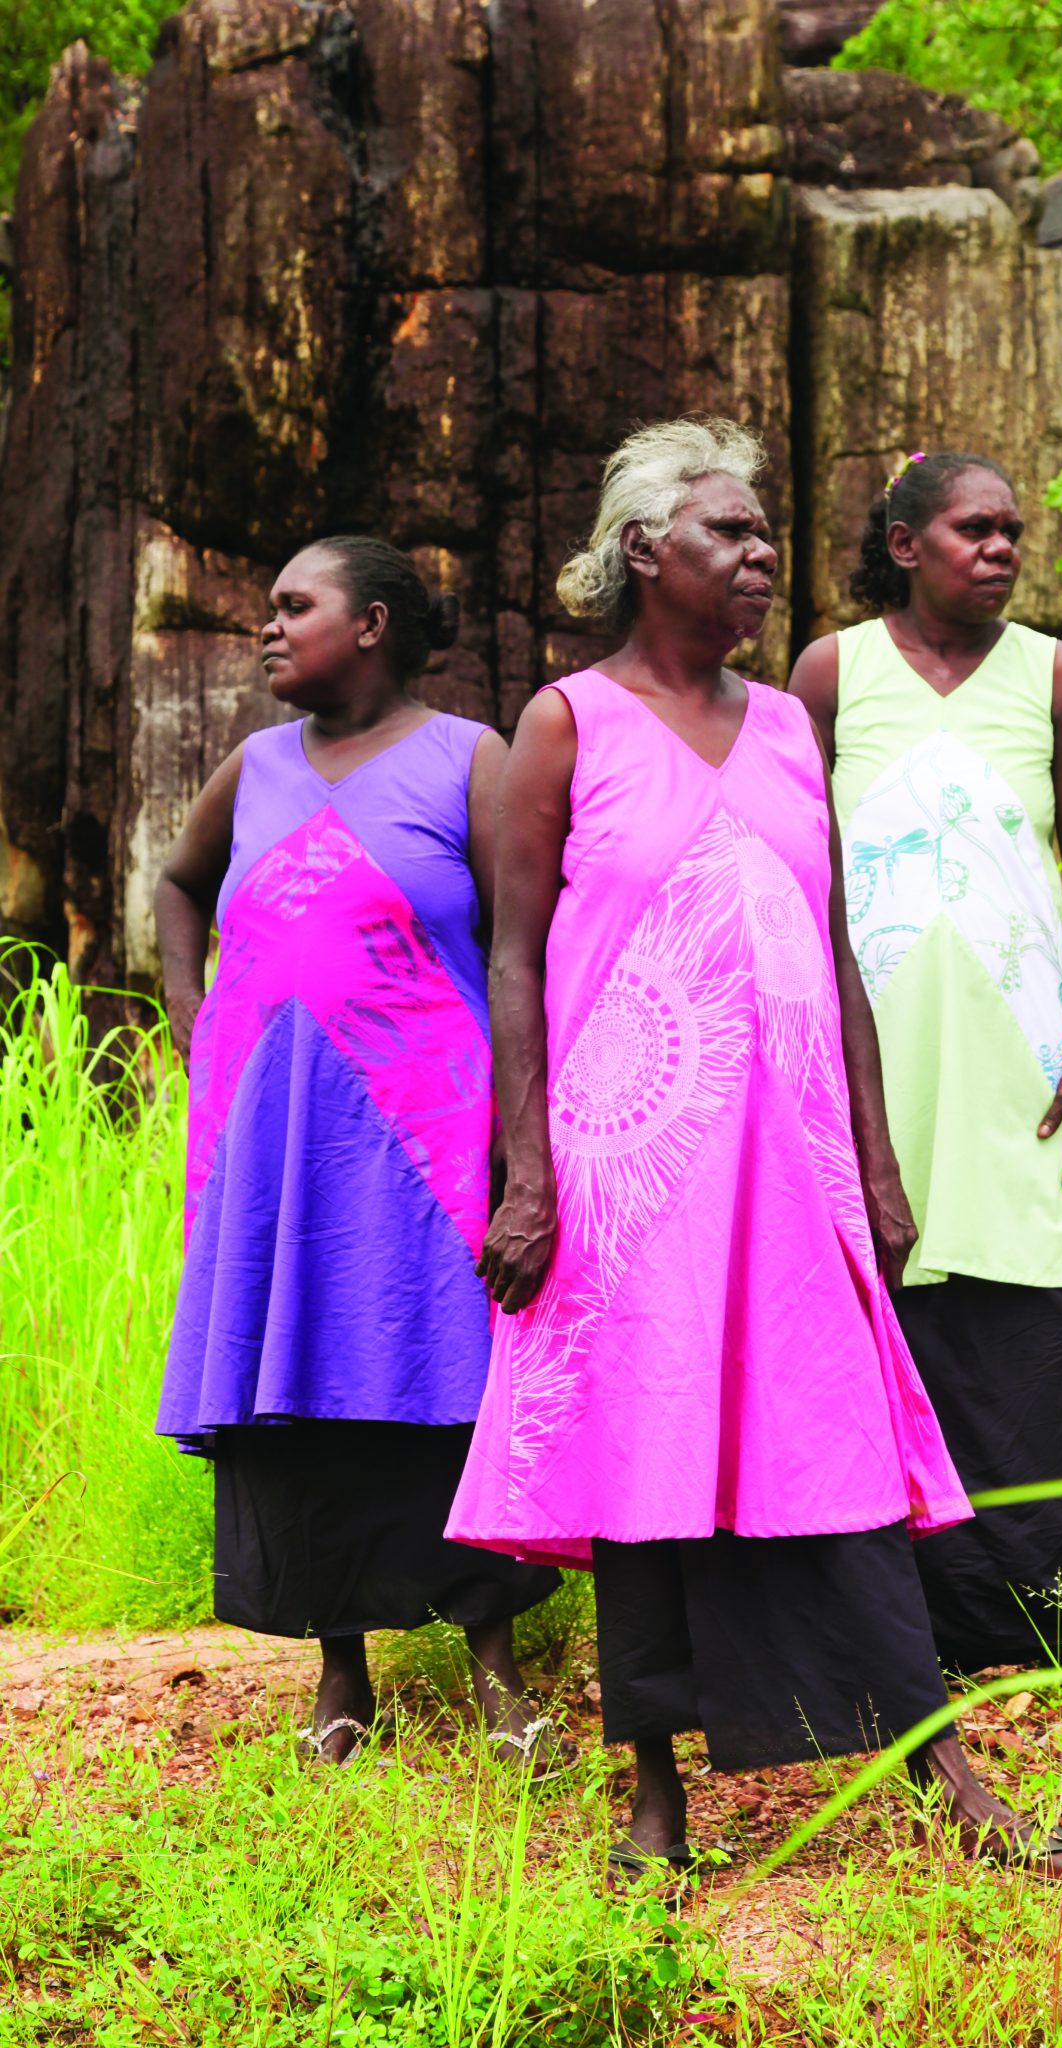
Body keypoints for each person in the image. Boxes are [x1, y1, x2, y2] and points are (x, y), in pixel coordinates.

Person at [445, 417, 1062, 1876]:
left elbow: (832, 947)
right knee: (652, 1467)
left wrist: (873, 1162)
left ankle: (946, 1779)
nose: (758, 560)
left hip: (792, 1164)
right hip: (635, 1175)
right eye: (728, 537)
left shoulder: (793, 726)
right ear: (641, 551)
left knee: (838, 1447)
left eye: (760, 539)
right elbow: (513, 957)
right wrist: (531, 1169)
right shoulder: (567, 722)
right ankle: (656, 1802)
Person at [790, 449, 1062, 1686]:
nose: (1001, 550)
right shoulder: (832, 672)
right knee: (900, 1320)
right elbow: (798, 868)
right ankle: (920, 1626)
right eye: (975, 531)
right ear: (903, 544)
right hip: (876, 1064)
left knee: (1031, 1336)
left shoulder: (1060, 677)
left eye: (1012, 533)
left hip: (1024, 1064)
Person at [154, 536, 561, 1765]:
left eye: (295, 606)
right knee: (303, 1388)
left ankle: (497, 1677)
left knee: (444, 1390)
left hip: (426, 1146)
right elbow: (179, 883)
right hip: (273, 1149)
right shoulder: (254, 766)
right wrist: (195, 1024)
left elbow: (515, 946)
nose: (269, 628)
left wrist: (520, 1141)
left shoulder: (470, 760)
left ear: (373, 622)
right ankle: (343, 1678)